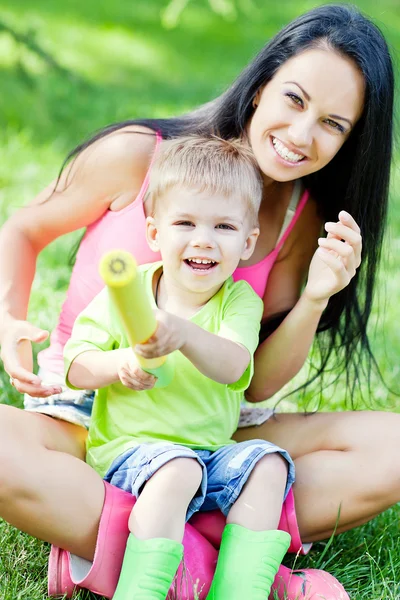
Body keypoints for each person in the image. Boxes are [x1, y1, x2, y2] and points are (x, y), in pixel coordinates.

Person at [0, 3, 396, 599]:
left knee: (391, 449)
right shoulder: (139, 154)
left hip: (211, 428)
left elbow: (255, 385)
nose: (301, 134)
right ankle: (232, 561)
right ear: (261, 85)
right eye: (294, 99)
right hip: (88, 418)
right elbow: (24, 230)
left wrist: (315, 297)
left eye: (333, 124)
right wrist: (7, 319)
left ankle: (117, 547)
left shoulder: (300, 223)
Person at [65, 135, 295, 599]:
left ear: (248, 242)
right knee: (177, 470)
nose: (203, 240)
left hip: (211, 453)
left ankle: (237, 591)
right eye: (185, 222)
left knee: (269, 465)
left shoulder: (239, 303)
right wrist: (123, 363)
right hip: (133, 451)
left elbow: (233, 366)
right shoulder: (126, 294)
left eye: (224, 227)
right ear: (155, 233)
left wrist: (185, 334)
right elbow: (77, 368)